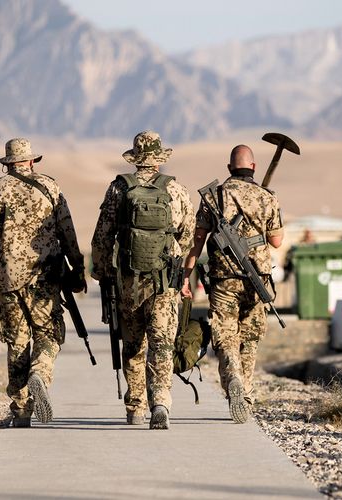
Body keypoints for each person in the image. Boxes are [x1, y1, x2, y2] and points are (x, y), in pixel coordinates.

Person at [0, 138, 85, 428]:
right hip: (45, 278)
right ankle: (39, 372)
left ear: (7, 165)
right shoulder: (50, 188)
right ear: (32, 162)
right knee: (48, 335)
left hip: (8, 281)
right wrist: (78, 269)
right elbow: (68, 233)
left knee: (16, 342)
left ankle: (22, 408)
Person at [91, 130, 195, 430]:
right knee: (162, 342)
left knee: (134, 343)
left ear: (135, 159)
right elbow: (186, 237)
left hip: (129, 280)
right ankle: (160, 401)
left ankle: (135, 405)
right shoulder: (176, 190)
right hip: (165, 281)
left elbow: (102, 237)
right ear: (159, 160)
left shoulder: (118, 189)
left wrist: (102, 272)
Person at [182, 144, 284, 423]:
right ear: (253, 167)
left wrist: (185, 277)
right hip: (257, 280)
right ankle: (246, 394)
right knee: (249, 339)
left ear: (229, 169)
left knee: (226, 338)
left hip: (224, 279)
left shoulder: (214, 196)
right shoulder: (267, 197)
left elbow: (197, 241)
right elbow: (277, 241)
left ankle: (234, 379)